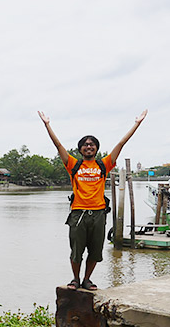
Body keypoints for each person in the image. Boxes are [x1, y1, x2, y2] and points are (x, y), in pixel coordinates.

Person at [38, 109, 148, 290]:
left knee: (95, 251)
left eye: (92, 145)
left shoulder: (103, 165)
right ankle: (75, 279)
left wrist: (136, 124)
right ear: (80, 149)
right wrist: (47, 125)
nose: (89, 147)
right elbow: (58, 146)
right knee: (76, 251)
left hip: (98, 214)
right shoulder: (74, 164)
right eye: (85, 145)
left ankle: (87, 279)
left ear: (96, 148)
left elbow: (121, 143)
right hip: (78, 213)